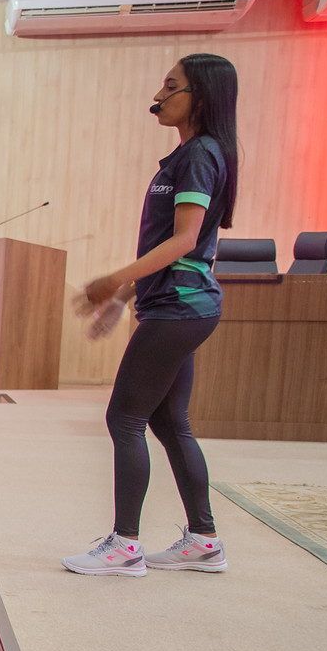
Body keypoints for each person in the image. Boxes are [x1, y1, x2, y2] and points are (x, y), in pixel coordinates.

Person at [65, 54, 239, 576]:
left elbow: (185, 241)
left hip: (180, 307)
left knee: (124, 417)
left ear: (199, 97)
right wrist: (123, 299)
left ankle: (125, 546)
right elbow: (169, 244)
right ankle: (204, 540)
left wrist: (113, 280)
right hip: (176, 304)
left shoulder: (200, 155)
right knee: (167, 420)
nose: (159, 96)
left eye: (170, 86)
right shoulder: (188, 155)